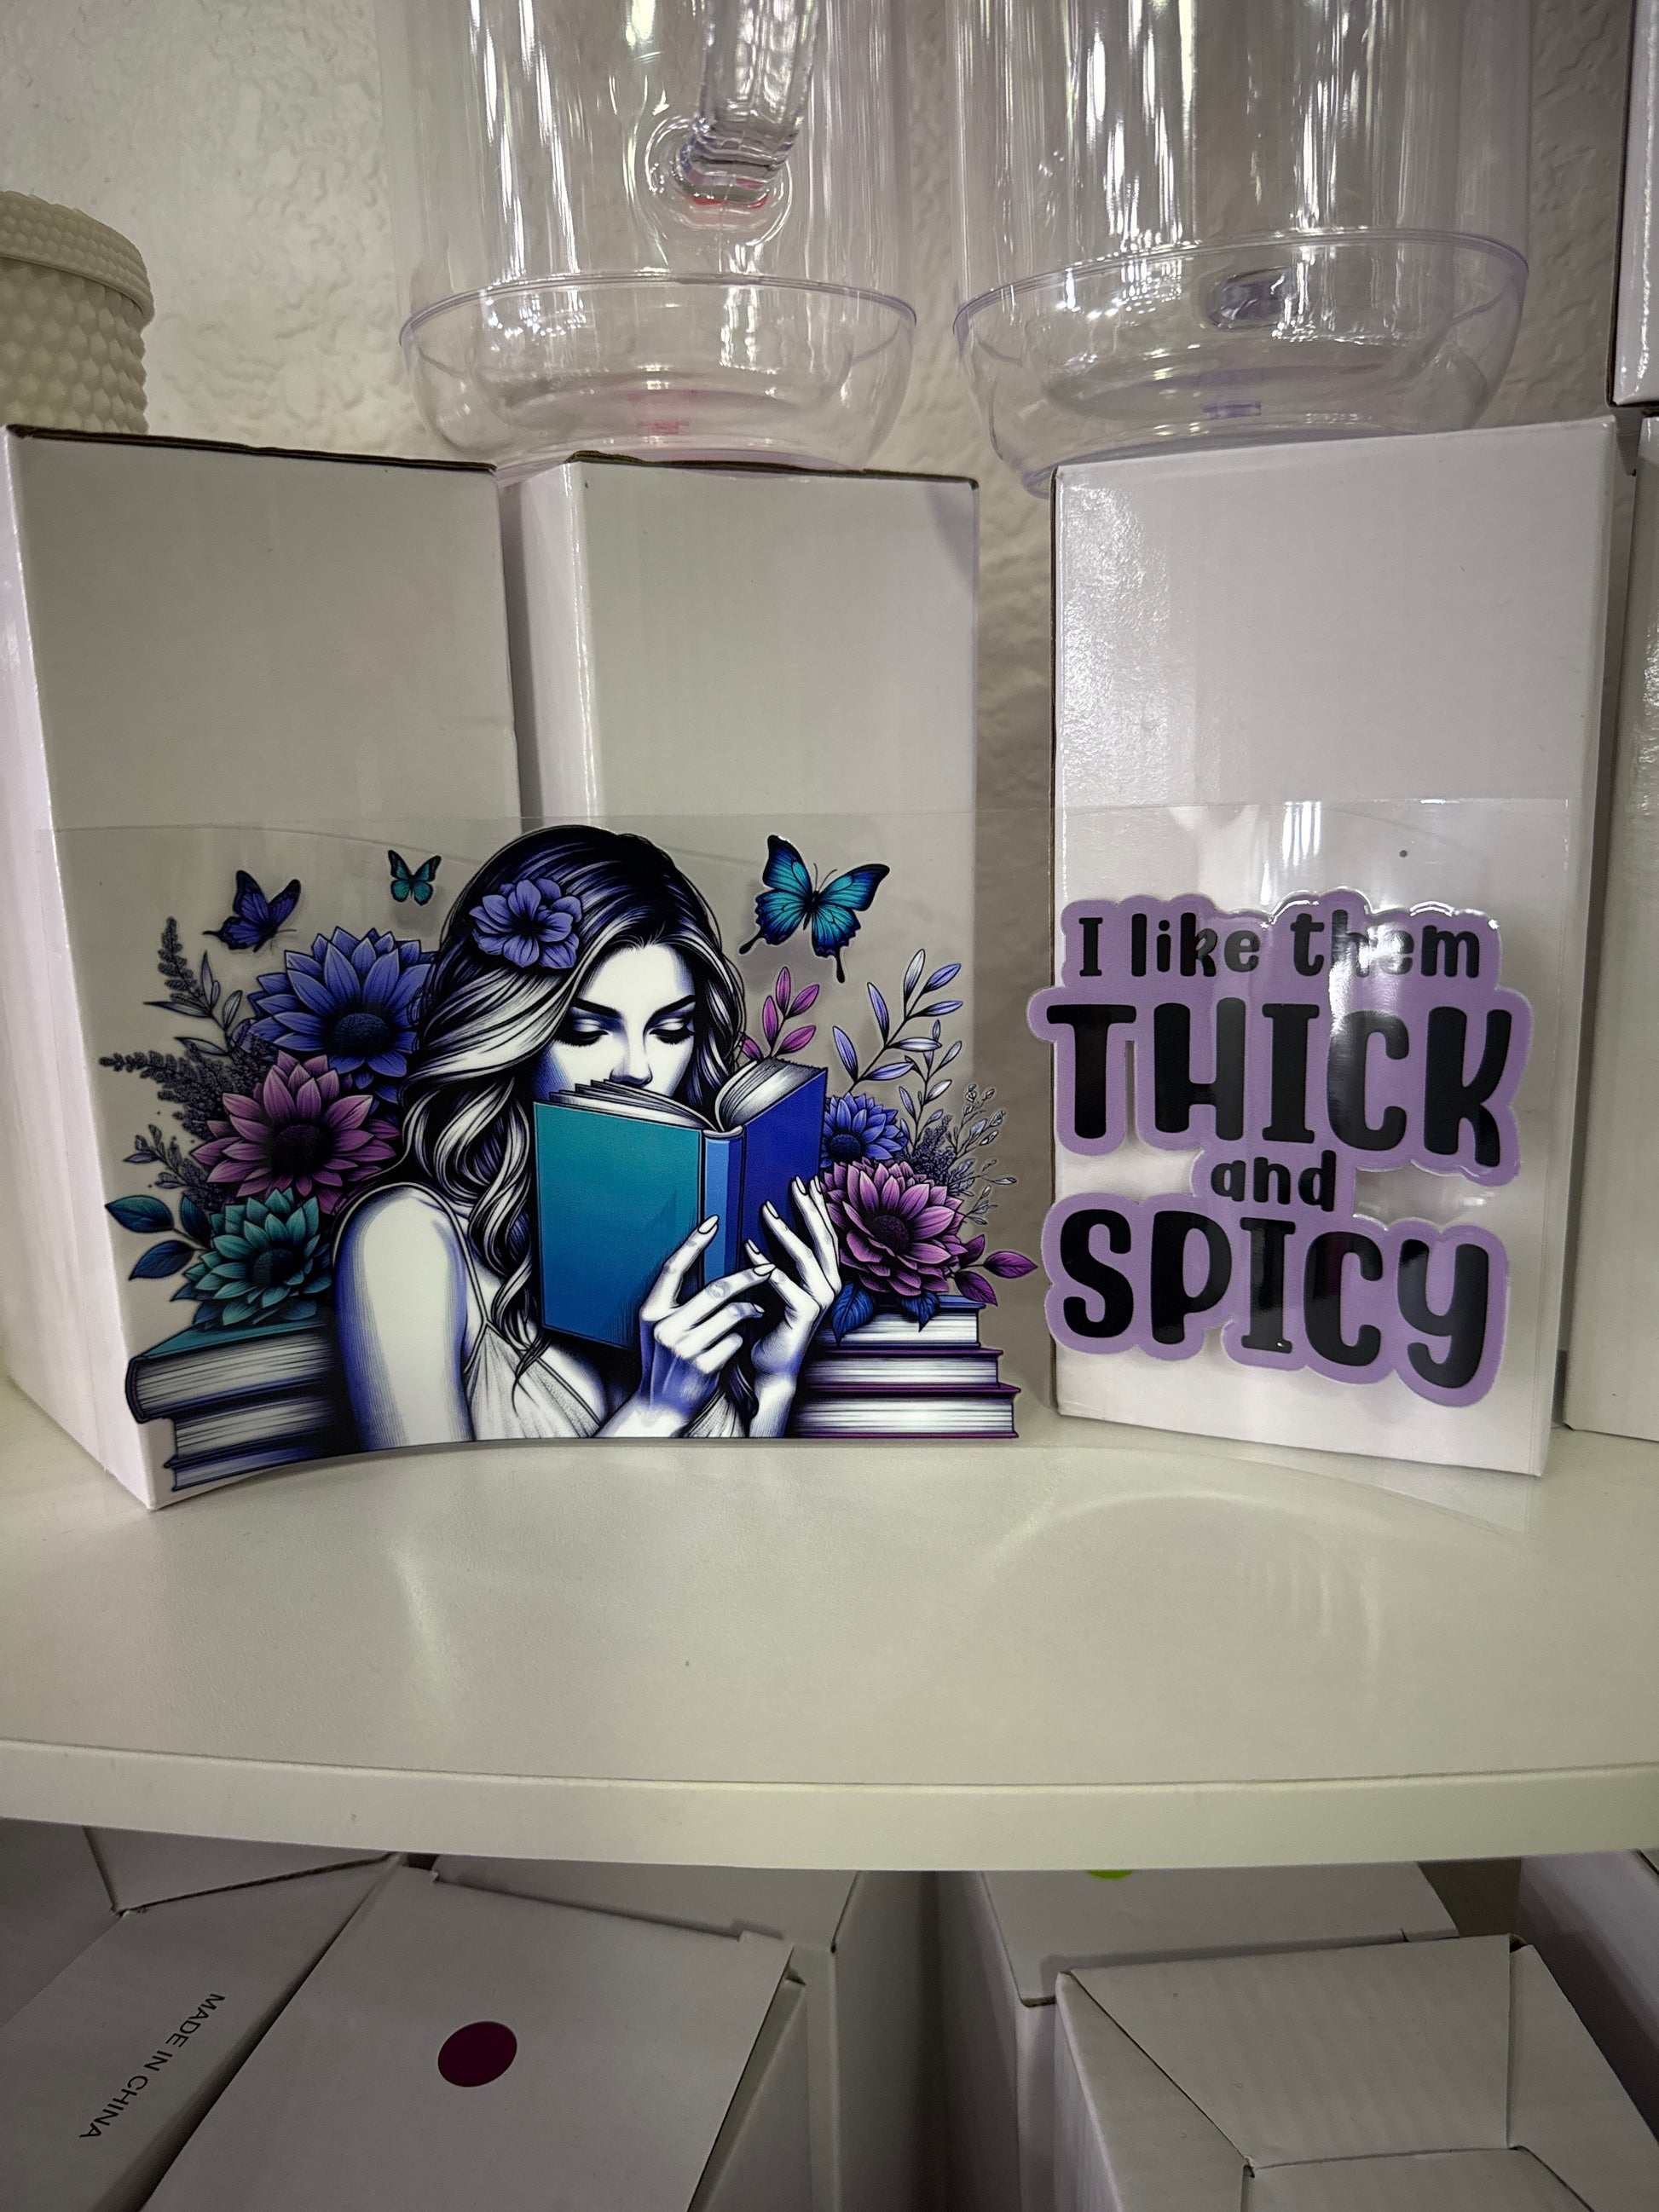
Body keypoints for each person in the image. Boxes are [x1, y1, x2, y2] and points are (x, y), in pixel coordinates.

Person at [336, 827, 840, 1444]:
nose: (638, 1069)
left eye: (671, 1030)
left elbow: (743, 1504)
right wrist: (654, 1414)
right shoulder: (405, 1237)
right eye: (585, 1031)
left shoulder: (697, 1231)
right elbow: (423, 1510)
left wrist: (775, 1378)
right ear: (509, 1033)